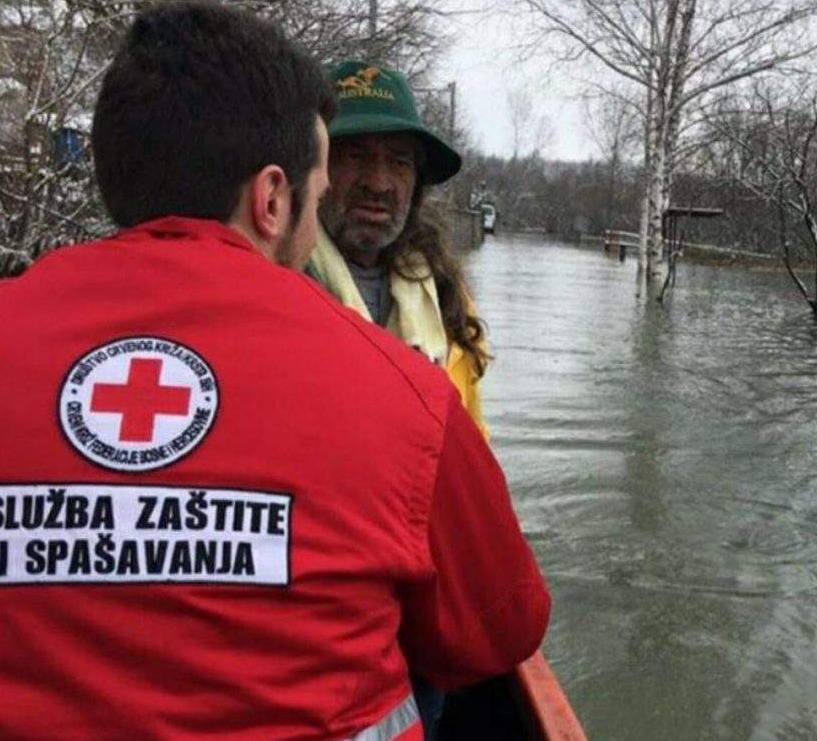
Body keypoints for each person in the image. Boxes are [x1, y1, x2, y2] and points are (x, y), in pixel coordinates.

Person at [0, 5, 549, 740]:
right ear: (272, 199)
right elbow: (499, 626)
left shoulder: (439, 313)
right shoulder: (402, 389)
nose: (378, 183)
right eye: (337, 174)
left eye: (400, 164)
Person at [308, 60, 490, 437]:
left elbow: (473, 447)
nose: (378, 182)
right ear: (315, 167)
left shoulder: (450, 303)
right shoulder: (273, 286)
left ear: (417, 181)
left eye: (398, 161)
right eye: (355, 156)